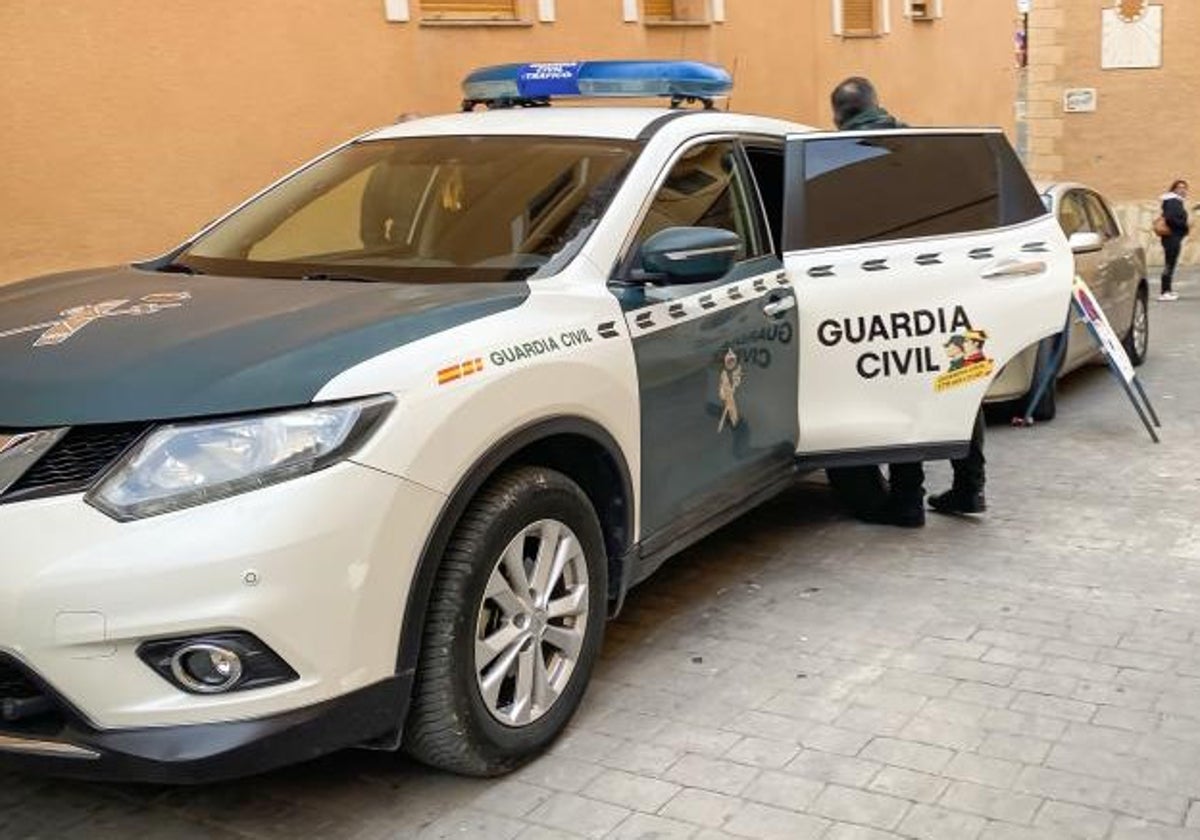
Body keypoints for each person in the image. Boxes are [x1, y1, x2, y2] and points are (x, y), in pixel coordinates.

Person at [824, 77, 987, 526]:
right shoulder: (925, 149)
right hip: (950, 287)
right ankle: (970, 488)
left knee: (901, 388)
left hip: (885, 292)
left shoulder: (839, 156)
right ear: (879, 104)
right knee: (961, 383)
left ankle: (907, 500)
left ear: (839, 115)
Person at [1158, 179, 1189, 302]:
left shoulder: (1175, 201)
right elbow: (1170, 218)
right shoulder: (1172, 201)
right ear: (1174, 189)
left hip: (1172, 237)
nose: (1182, 190)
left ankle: (1168, 290)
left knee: (1170, 263)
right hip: (1172, 237)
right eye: (1179, 187)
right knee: (1169, 263)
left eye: (1184, 188)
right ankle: (1164, 291)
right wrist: (1183, 226)